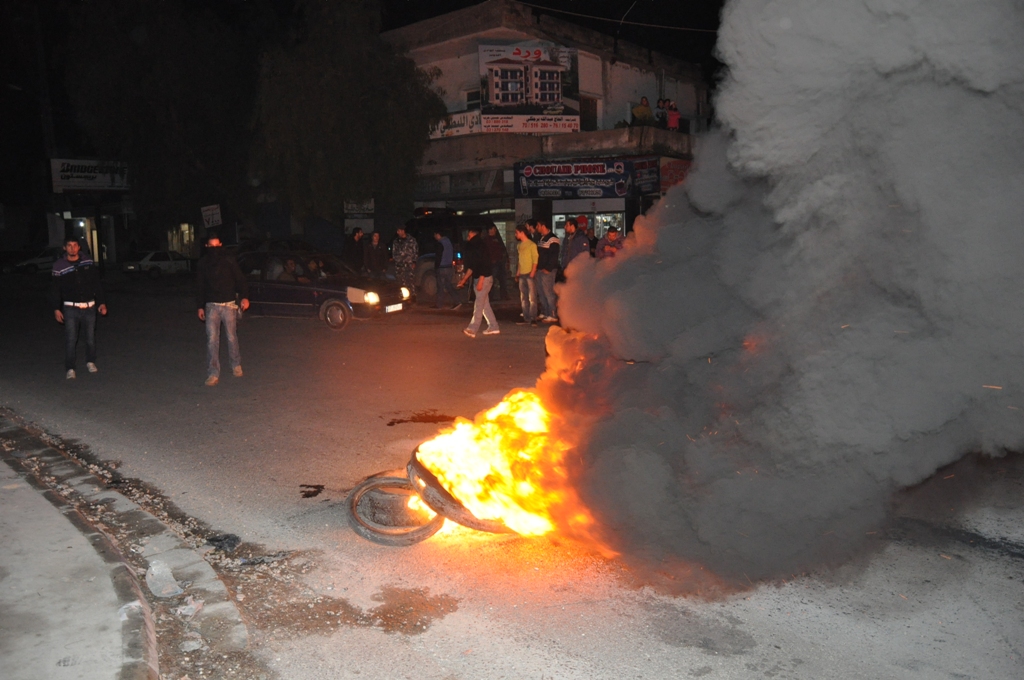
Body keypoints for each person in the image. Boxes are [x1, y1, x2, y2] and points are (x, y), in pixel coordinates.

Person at [196, 232, 249, 387]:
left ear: (220, 245)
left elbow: (240, 279)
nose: (214, 249)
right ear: (206, 246)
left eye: (216, 246)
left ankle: (236, 365)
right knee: (212, 340)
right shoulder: (203, 263)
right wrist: (200, 306)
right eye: (211, 246)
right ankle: (213, 373)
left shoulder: (228, 260)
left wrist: (245, 297)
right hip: (211, 306)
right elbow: (200, 285)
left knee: (231, 337)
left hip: (229, 304)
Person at [51, 236, 107, 379]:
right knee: (71, 339)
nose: (72, 248)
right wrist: (56, 308)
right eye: (69, 246)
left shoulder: (87, 261)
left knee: (90, 338)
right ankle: (70, 368)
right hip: (71, 308)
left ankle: (90, 361)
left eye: (75, 245)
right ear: (64, 248)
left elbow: (96, 283)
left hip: (89, 307)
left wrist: (101, 302)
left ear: (79, 247)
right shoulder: (59, 266)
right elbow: (56, 289)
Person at [457, 226, 499, 338]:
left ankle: (473, 328)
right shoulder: (477, 246)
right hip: (482, 278)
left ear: (472, 233)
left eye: (469, 235)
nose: (468, 237)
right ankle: (494, 326)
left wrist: (481, 280)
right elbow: (472, 266)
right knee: (484, 305)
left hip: (483, 278)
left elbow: (484, 264)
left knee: (479, 304)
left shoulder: (479, 246)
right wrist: (464, 280)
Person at [535, 221, 560, 323]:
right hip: (540, 269)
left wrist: (548, 268)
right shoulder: (541, 238)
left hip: (548, 271)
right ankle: (545, 312)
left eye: (538, 225)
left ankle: (552, 314)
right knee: (541, 292)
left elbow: (554, 256)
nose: (536, 227)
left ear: (543, 226)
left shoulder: (553, 239)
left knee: (548, 292)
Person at [513, 224, 538, 326]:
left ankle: (533, 318)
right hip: (522, 274)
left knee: (532, 297)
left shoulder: (532, 245)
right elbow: (520, 260)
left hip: (529, 273)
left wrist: (532, 272)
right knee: (523, 297)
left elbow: (535, 260)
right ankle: (526, 317)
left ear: (522, 232)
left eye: (516, 232)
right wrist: (518, 273)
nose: (515, 234)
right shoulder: (519, 245)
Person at [433, 229, 459, 309]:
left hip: (442, 267)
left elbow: (438, 256)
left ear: (438, 234)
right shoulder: (448, 242)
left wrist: (436, 267)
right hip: (449, 267)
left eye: (435, 235)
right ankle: (457, 301)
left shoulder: (440, 243)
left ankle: (439, 304)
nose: (434, 237)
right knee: (448, 285)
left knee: (440, 286)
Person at [483, 225, 510, 300]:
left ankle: (504, 295)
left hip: (499, 262)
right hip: (493, 263)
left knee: (503, 279)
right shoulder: (486, 240)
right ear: (489, 230)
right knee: (492, 280)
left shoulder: (497, 239)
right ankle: (490, 296)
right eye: (493, 229)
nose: (495, 231)